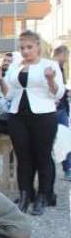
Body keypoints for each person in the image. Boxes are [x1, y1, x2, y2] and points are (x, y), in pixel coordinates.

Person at [0, 30, 65, 216]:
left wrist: (50, 79)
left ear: (38, 46)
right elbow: (8, 94)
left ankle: (44, 195)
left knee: (42, 156)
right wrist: (0, 81)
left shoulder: (49, 65)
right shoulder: (16, 66)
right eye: (22, 48)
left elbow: (57, 94)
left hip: (44, 115)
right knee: (23, 156)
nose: (25, 51)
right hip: (18, 115)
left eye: (29, 47)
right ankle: (25, 194)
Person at [52, 45, 71, 181]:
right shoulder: (52, 67)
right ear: (60, 54)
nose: (67, 59)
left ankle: (68, 168)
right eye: (66, 55)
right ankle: (67, 168)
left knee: (65, 139)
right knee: (62, 139)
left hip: (62, 109)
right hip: (55, 110)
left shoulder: (61, 68)